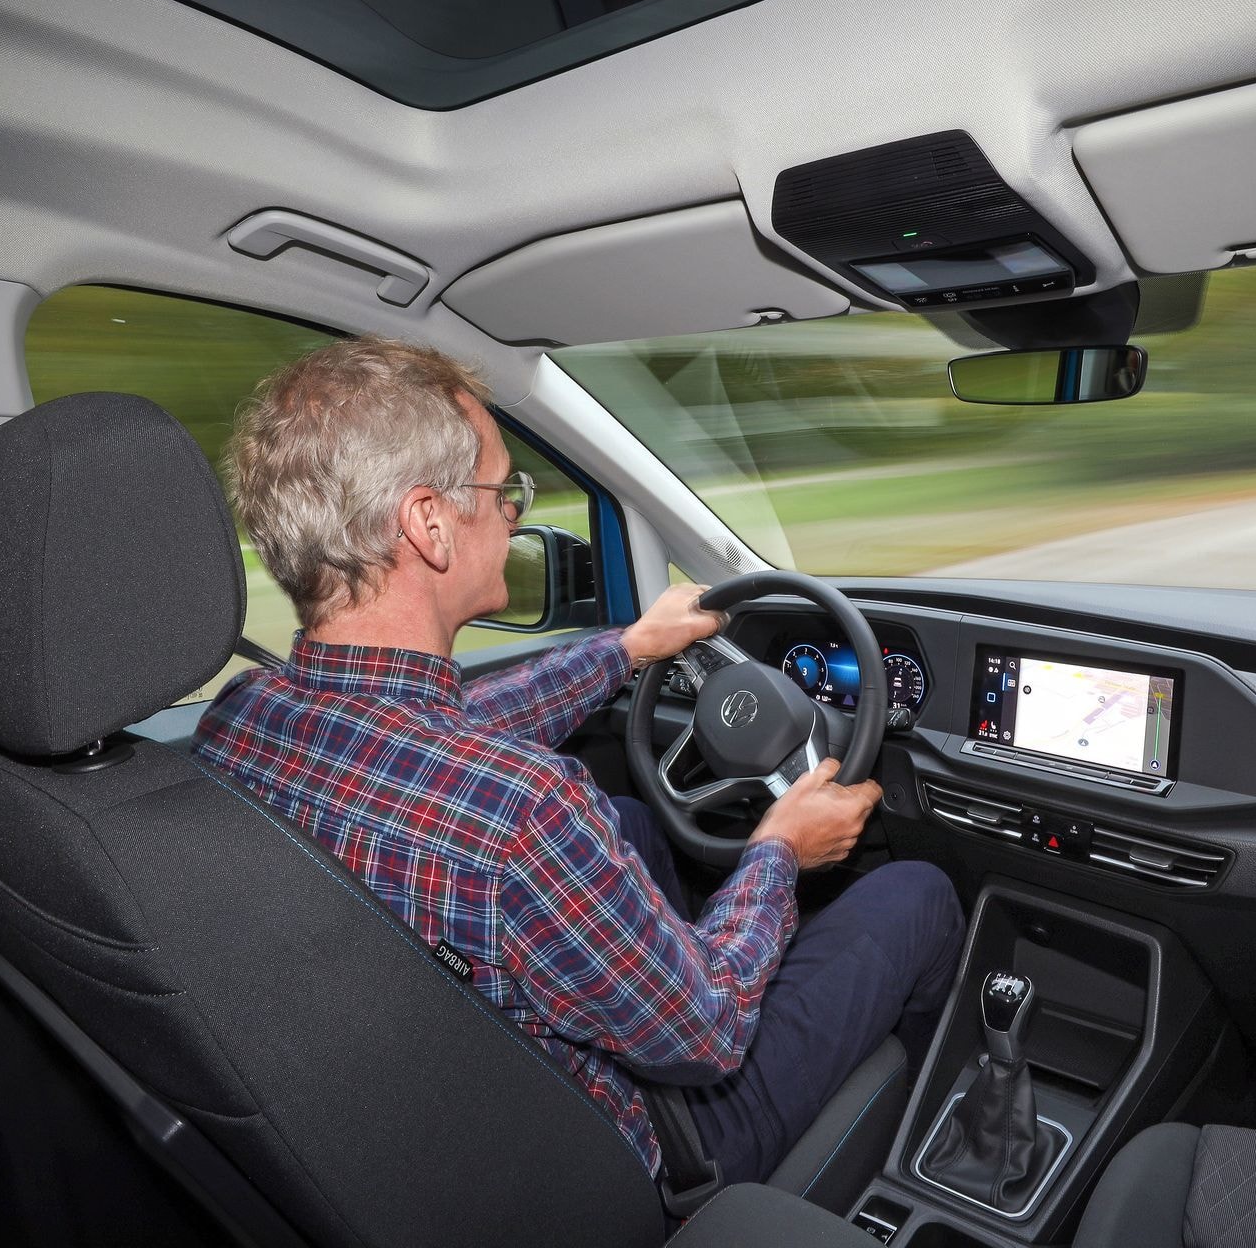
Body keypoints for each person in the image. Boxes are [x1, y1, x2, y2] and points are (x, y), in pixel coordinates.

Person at [193, 336, 962, 1193]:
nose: (516, 511)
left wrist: (628, 650)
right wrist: (779, 849)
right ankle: (925, 1150)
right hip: (636, 1147)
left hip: (434, 1118)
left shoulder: (245, 719)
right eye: (502, 489)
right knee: (915, 896)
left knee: (632, 824)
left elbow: (442, 732)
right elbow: (706, 1028)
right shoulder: (522, 813)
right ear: (430, 524)